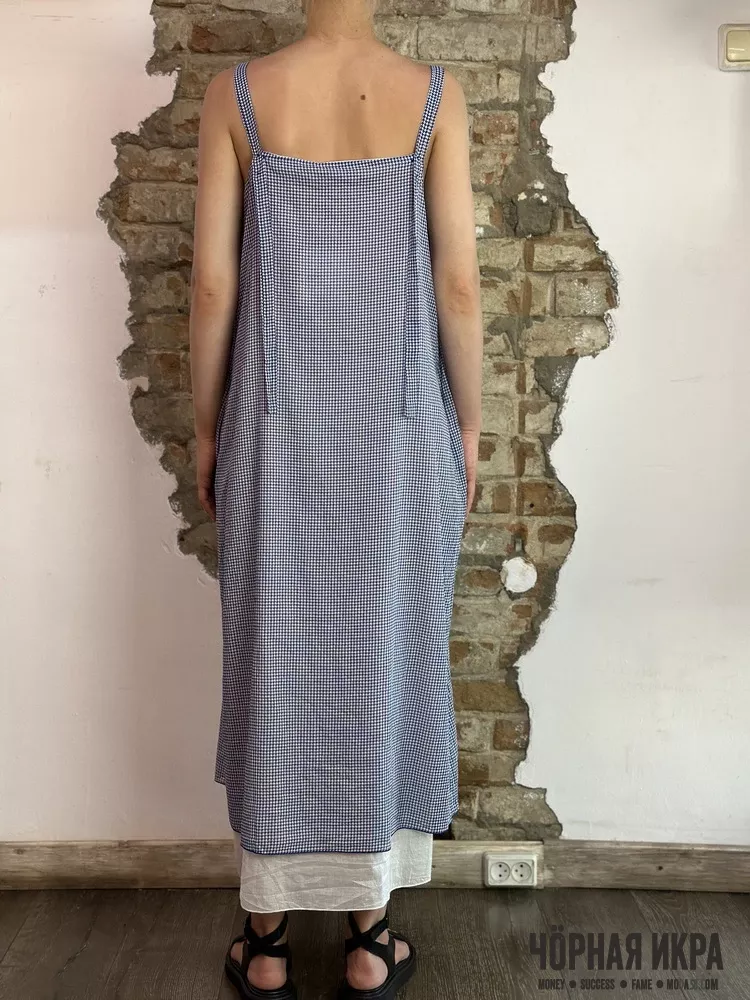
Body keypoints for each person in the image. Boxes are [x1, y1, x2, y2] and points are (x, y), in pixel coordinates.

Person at [189, 0, 483, 995]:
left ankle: (267, 942)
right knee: (386, 647)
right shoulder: (434, 98)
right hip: (399, 431)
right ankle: (368, 937)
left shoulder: (235, 95)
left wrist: (205, 427)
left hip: (272, 428)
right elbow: (458, 284)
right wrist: (469, 424)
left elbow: (213, 285)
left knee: (276, 649)